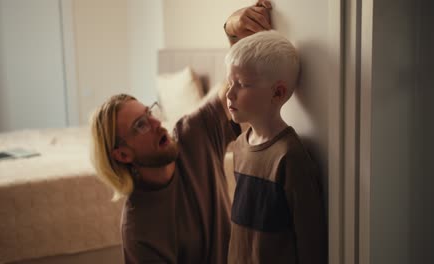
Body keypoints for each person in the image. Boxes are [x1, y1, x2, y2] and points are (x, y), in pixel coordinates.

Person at [89, 2, 272, 263]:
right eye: (139, 125)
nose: (155, 123)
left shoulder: (191, 134)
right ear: (122, 154)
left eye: (149, 112)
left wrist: (232, 31)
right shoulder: (139, 230)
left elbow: (229, 90)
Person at [225, 30, 327, 264]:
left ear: (278, 92)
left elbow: (311, 242)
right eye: (229, 83)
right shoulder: (240, 146)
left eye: (241, 84)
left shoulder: (290, 157)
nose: (229, 94)